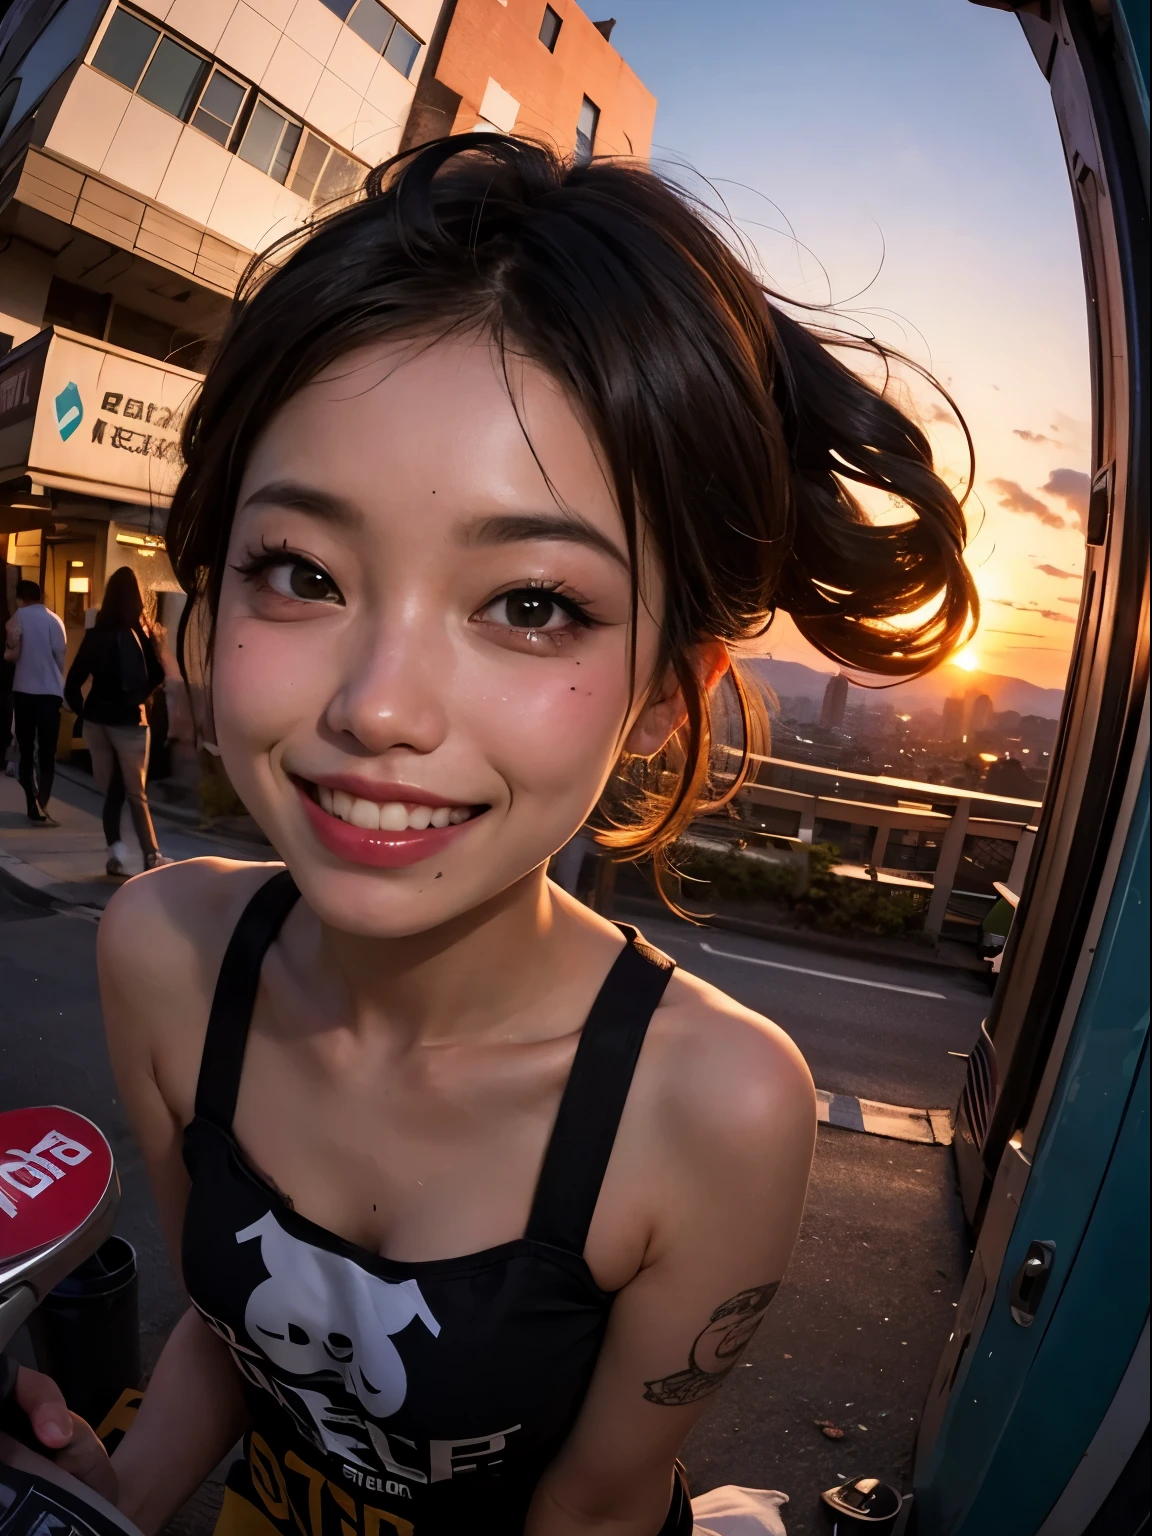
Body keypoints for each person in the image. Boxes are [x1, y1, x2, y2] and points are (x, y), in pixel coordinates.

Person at [92, 137, 976, 1535]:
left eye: (530, 605)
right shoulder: (162, 953)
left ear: (656, 699)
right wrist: (112, 1493)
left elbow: (596, 1512)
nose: (379, 707)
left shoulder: (714, 1110)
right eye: (301, 573)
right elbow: (227, 1338)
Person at [64, 566, 169, 876]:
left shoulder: (95, 635)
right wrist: (139, 696)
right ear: (135, 598)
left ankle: (116, 854)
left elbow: (73, 682)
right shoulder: (140, 632)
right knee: (135, 793)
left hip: (97, 721)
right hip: (129, 723)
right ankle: (151, 856)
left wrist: (84, 713)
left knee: (112, 789)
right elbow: (160, 674)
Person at [3, 579, 66, 826]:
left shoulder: (17, 618)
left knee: (27, 749)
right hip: (51, 692)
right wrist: (52, 675)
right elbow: (60, 654)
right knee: (48, 750)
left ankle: (32, 802)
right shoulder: (55, 620)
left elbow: (12, 651)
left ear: (20, 597)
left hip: (24, 691)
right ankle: (44, 798)